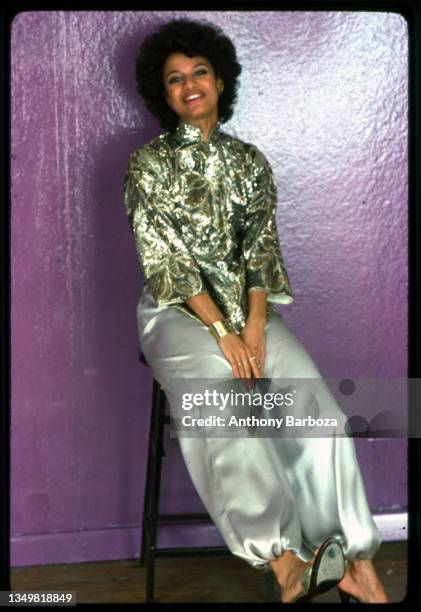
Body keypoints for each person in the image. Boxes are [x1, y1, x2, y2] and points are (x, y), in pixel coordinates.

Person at [123, 17, 390, 603]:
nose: (190, 85)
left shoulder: (250, 162)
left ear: (220, 81)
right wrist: (223, 333)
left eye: (199, 73)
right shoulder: (148, 166)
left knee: (315, 411)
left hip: (249, 313)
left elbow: (262, 255)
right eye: (175, 79)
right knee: (222, 405)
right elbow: (167, 264)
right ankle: (285, 564)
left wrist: (254, 324)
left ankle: (353, 561)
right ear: (162, 93)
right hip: (174, 312)